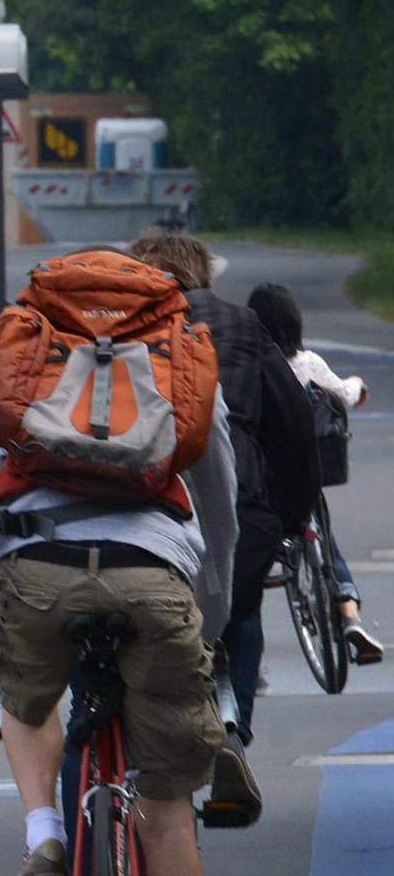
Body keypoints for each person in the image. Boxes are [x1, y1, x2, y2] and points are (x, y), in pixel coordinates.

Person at [0, 249, 240, 876]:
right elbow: (218, 499)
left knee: (22, 700)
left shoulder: (27, 340)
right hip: (152, 574)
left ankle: (46, 833)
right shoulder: (177, 346)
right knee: (167, 813)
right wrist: (214, 615)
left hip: (35, 566)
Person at [128, 233, 318, 758]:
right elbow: (294, 422)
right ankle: (233, 730)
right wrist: (293, 513)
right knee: (241, 613)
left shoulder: (116, 322)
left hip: (137, 507)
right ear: (202, 275)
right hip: (241, 498)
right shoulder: (240, 322)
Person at [247, 281, 383, 664]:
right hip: (306, 474)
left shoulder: (248, 366)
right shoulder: (308, 364)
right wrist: (359, 386)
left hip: (260, 482)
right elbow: (344, 394)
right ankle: (349, 612)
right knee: (321, 530)